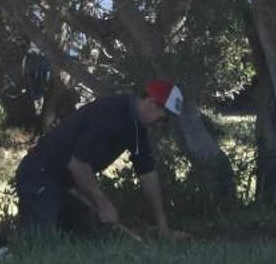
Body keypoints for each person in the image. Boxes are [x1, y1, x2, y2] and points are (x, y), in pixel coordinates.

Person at [14, 80, 189, 240]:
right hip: (39, 177)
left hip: (67, 185)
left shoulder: (138, 127)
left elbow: (148, 174)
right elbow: (78, 165)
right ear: (151, 103)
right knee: (41, 243)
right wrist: (103, 203)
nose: (161, 126)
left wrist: (163, 227)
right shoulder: (112, 115)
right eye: (163, 119)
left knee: (88, 239)